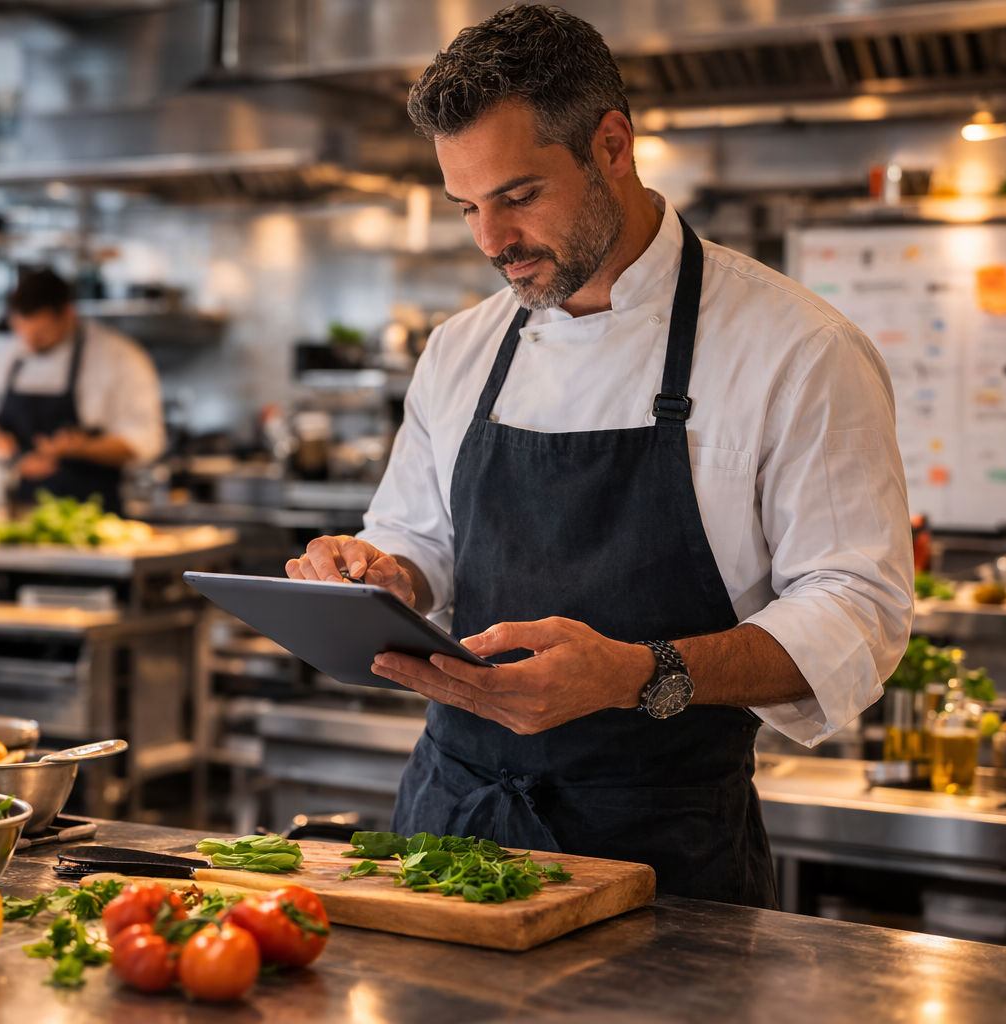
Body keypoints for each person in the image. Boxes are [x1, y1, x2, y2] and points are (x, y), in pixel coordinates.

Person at [283, 5, 912, 907]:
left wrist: (639, 673)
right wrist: (380, 576)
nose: (491, 242)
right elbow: (419, 540)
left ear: (611, 144)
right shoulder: (462, 347)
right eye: (467, 207)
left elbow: (858, 612)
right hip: (451, 828)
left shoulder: (798, 349)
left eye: (518, 195)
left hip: (664, 856)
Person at [0, 267, 164, 514]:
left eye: (41, 333)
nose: (30, 343)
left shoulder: (119, 357)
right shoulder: (9, 354)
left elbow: (145, 439)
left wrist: (82, 448)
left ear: (68, 314)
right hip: (16, 512)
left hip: (92, 515)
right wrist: (3, 450)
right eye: (21, 330)